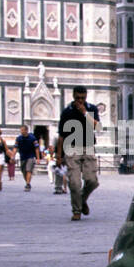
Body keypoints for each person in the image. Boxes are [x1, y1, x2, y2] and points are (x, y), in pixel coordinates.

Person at [57, 85, 98, 220]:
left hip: (88, 147)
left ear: (86, 97)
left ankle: (81, 200)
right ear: (73, 96)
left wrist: (85, 112)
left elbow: (97, 126)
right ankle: (77, 210)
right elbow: (61, 136)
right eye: (78, 98)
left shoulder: (92, 108)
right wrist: (59, 156)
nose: (80, 100)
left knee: (92, 181)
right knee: (74, 183)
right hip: (71, 148)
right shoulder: (67, 112)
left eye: (83, 98)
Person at [14, 124, 39, 191]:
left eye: (22, 130)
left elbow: (37, 148)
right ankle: (28, 182)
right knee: (23, 171)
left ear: (26, 130)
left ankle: (27, 184)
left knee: (28, 170)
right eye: (21, 130)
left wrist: (38, 158)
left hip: (31, 156)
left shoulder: (33, 138)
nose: (21, 131)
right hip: (22, 157)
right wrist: (12, 156)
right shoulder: (18, 138)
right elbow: (15, 147)